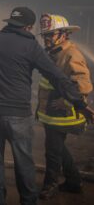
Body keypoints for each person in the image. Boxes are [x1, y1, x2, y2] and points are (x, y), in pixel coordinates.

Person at [0, 6, 89, 205]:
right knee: (24, 163)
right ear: (29, 27)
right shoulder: (30, 46)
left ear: (9, 22)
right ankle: (28, 202)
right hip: (18, 115)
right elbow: (56, 76)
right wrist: (79, 102)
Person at [37, 14, 93, 199]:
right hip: (51, 113)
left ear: (63, 34)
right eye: (44, 35)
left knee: (52, 151)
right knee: (59, 148)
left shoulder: (71, 54)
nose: (46, 38)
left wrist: (68, 101)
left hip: (62, 114)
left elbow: (84, 84)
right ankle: (74, 182)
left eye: (50, 35)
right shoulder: (54, 52)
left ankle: (50, 185)